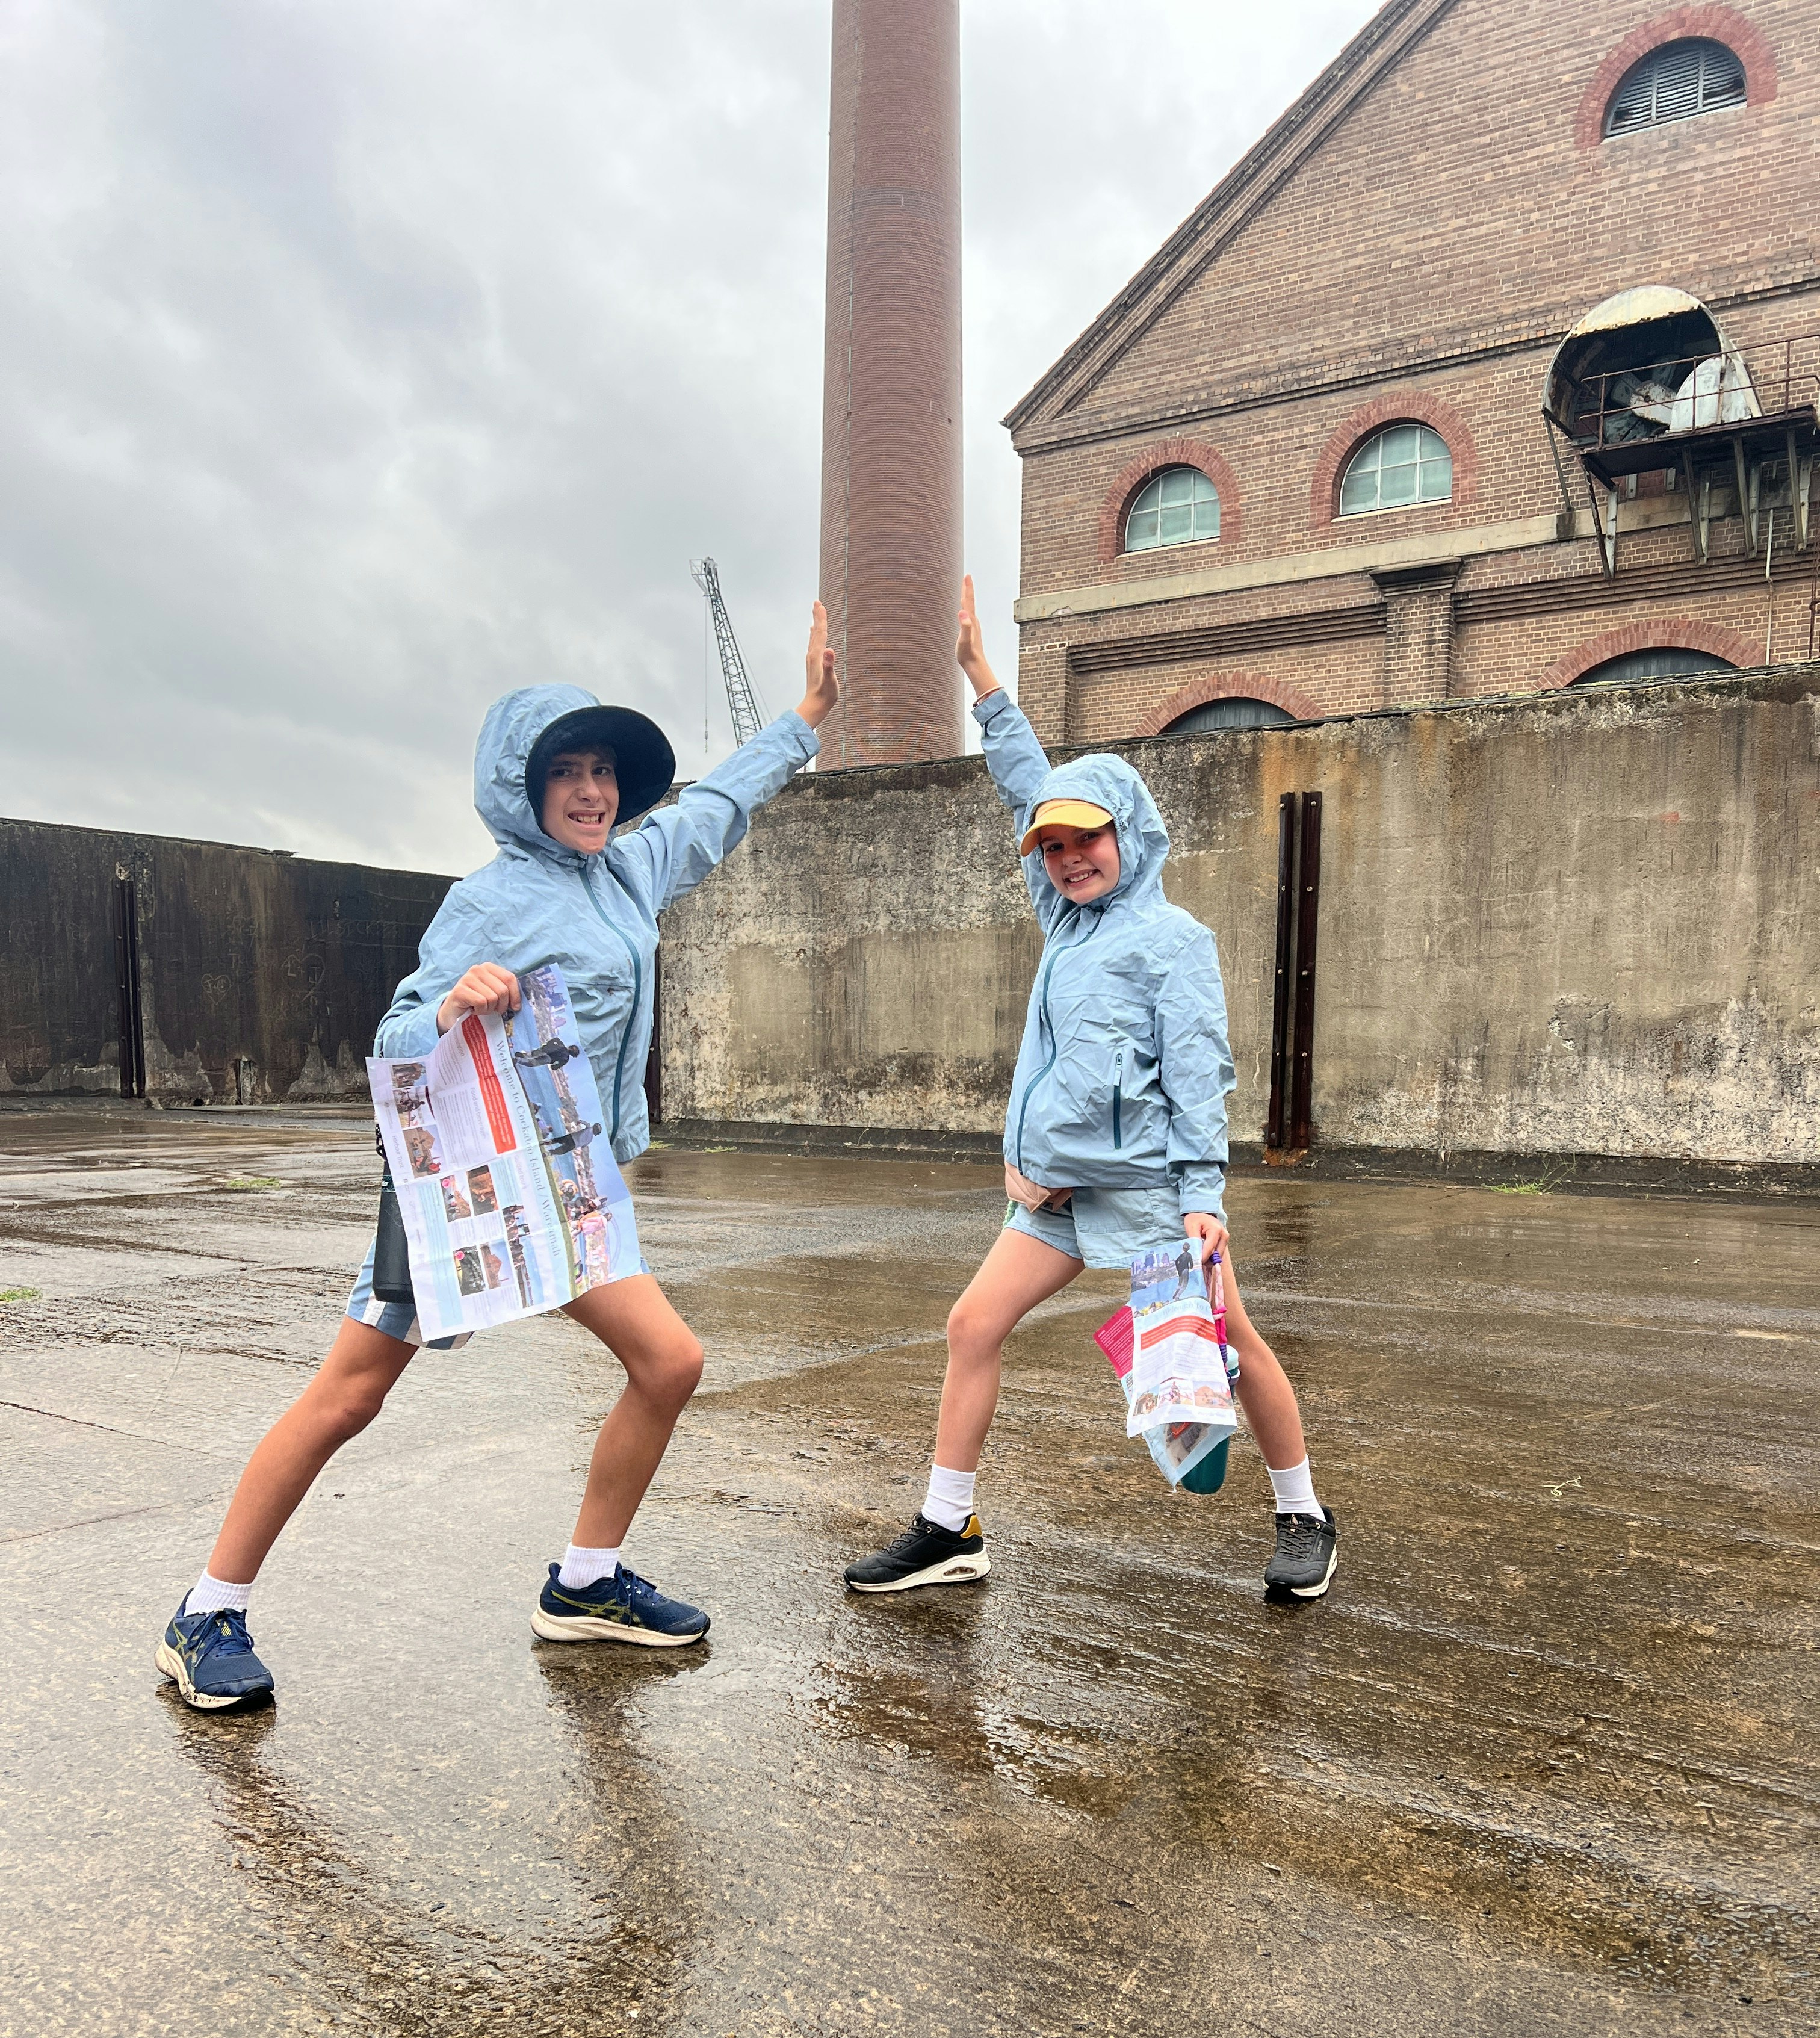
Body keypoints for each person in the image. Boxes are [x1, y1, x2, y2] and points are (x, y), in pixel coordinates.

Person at [158, 608, 841, 1712]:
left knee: (669, 1363)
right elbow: (394, 1035)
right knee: (349, 1397)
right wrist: (449, 1006)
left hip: (571, 1193)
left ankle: (584, 1586)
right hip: (472, 1193)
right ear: (520, 789)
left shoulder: (626, 873)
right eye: (565, 773)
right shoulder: (490, 899)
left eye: (604, 773)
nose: (591, 792)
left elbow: (715, 808)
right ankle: (205, 1615)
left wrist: (804, 718)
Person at [843, 580, 1337, 1604]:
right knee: (972, 1326)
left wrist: (1204, 1197)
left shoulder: (1174, 940)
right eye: (1055, 850)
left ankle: (1304, 1515)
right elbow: (1029, 792)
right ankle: (948, 1527)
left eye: (1087, 840)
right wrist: (984, 682)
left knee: (1231, 1352)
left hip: (1154, 1196)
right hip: (1056, 1194)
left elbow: (1202, 1073)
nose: (1068, 859)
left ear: (1132, 833)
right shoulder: (1064, 923)